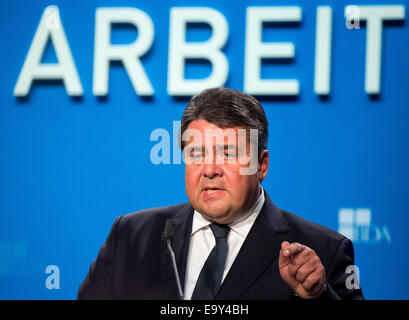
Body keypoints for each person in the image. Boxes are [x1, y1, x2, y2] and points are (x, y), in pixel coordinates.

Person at [77, 87, 364, 300]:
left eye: (227, 153)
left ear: (261, 165)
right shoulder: (132, 236)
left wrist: (317, 297)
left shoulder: (322, 252)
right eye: (196, 154)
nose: (210, 170)